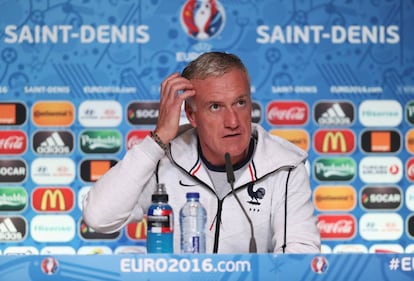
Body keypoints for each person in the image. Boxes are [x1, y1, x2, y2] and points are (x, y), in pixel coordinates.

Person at [82, 51, 321, 254]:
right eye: (215, 107)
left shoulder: (286, 167)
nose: (233, 121)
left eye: (240, 103)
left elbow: (300, 258)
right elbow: (99, 218)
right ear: (192, 115)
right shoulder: (165, 159)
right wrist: (158, 141)